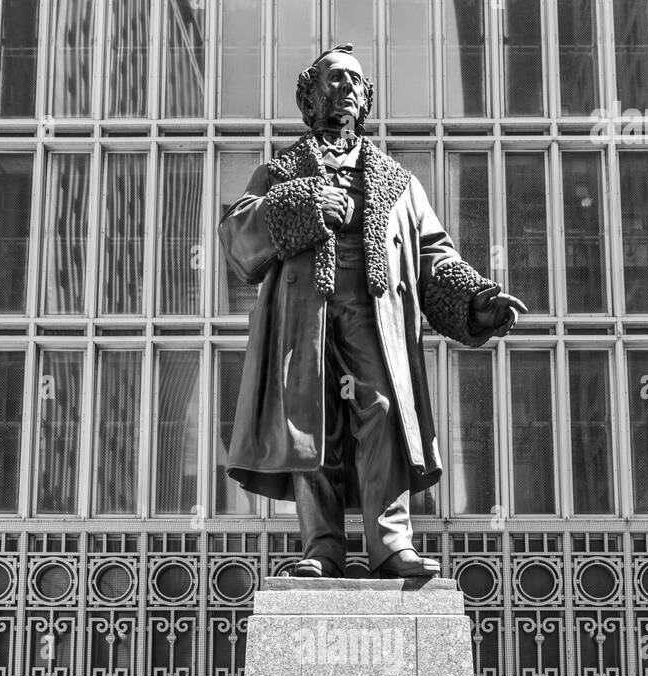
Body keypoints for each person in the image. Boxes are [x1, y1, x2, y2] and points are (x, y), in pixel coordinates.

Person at [218, 45, 526, 579]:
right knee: (309, 424)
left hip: (373, 314)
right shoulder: (280, 171)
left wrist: (476, 299)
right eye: (334, 80)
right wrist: (305, 206)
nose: (347, 90)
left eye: (356, 83)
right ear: (311, 97)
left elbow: (434, 253)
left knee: (381, 411)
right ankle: (322, 548)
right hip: (303, 318)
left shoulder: (397, 182)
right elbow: (236, 243)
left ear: (365, 101)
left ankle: (390, 544)